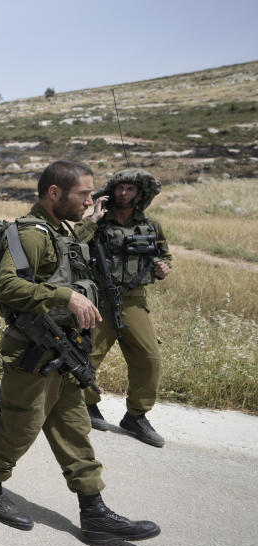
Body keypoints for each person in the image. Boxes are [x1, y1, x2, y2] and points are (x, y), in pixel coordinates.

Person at [0, 160, 161, 545]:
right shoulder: (29, 233)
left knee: (75, 428)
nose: (90, 201)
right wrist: (66, 296)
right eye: (84, 194)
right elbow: (8, 287)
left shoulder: (62, 232)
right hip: (34, 351)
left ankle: (94, 513)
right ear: (54, 193)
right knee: (20, 425)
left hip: (65, 348)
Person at [76, 169, 171, 447]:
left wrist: (164, 267)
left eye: (130, 189)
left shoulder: (150, 225)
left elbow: (163, 254)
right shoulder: (98, 222)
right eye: (120, 188)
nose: (124, 194)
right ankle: (87, 404)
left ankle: (136, 416)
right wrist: (93, 218)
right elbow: (72, 244)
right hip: (100, 299)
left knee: (148, 358)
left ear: (139, 194)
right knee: (89, 354)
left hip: (133, 299)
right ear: (112, 191)